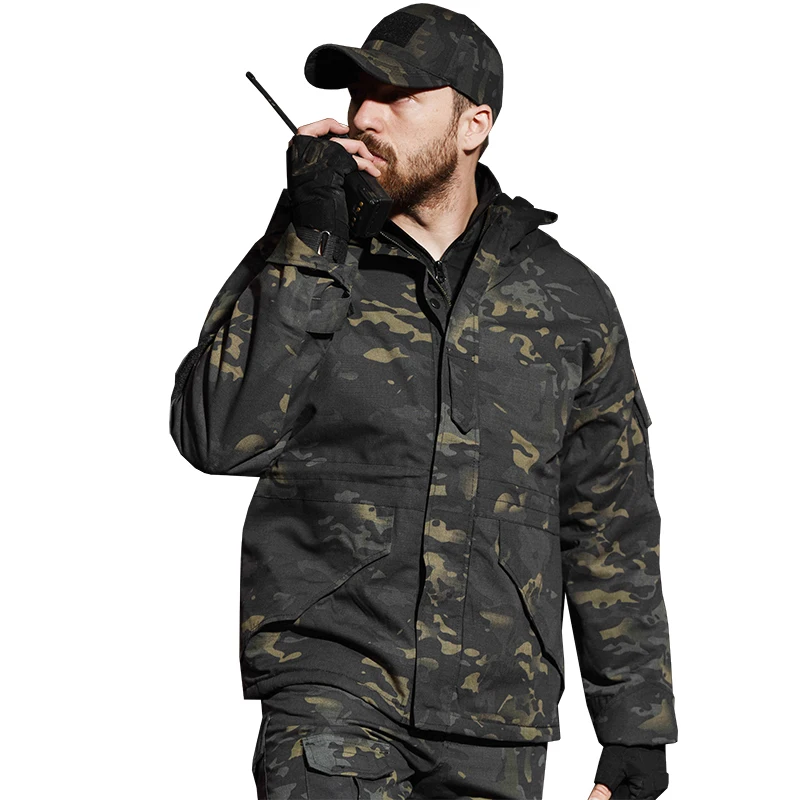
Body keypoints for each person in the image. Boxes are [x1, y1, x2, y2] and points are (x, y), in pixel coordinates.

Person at [169, 4, 678, 798]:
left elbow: (608, 520)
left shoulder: (567, 299)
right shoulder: (310, 254)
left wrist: (635, 731)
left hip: (499, 717)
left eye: (398, 97)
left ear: (475, 125)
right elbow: (215, 436)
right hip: (332, 694)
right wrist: (315, 236)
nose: (365, 116)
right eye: (358, 95)